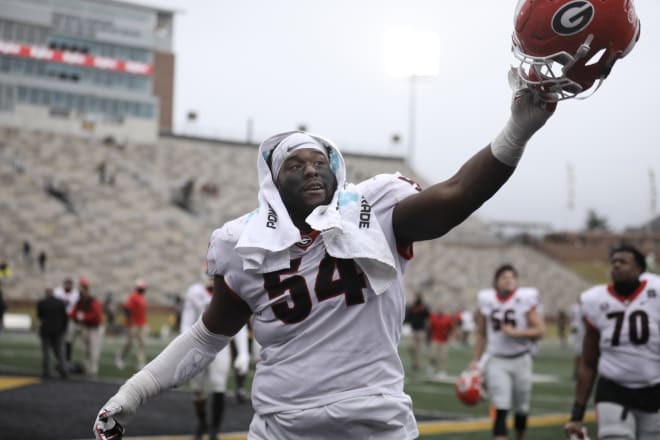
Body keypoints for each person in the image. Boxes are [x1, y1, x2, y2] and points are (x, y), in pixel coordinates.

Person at [94, 82, 556, 439]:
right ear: (273, 184)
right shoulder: (243, 244)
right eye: (295, 164)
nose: (311, 168)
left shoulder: (377, 211)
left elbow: (455, 197)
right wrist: (132, 393)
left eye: (320, 162)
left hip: (376, 419)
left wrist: (518, 129)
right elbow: (206, 338)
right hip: (283, 423)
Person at [564, 244, 660, 440]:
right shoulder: (595, 300)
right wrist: (577, 414)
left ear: (639, 269)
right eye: (613, 262)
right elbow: (589, 363)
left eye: (623, 262)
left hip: (654, 388)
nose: (616, 265)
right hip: (613, 389)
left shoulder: (656, 292)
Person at [471, 264, 545, 440]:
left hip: (521, 358)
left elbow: (540, 330)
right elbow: (481, 333)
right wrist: (476, 359)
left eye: (512, 277)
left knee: (522, 408)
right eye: (504, 277)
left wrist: (516, 333)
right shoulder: (487, 299)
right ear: (496, 281)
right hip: (497, 359)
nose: (508, 279)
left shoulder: (524, 298)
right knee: (500, 406)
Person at [180, 278, 250, 440]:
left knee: (219, 386)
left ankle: (214, 429)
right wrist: (185, 348)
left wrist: (243, 352)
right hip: (197, 348)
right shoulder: (195, 292)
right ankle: (202, 422)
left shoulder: (231, 288)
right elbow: (185, 323)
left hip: (221, 347)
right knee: (197, 391)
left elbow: (238, 323)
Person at [70, 277, 104, 377]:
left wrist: (83, 317)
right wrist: (76, 317)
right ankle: (88, 367)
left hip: (95, 328)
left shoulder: (92, 301)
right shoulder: (80, 301)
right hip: (86, 327)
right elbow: (73, 313)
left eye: (82, 288)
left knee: (94, 348)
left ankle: (93, 369)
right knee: (87, 349)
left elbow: (96, 314)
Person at [36, 286, 69, 378]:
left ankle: (46, 371)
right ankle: (63, 370)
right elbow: (65, 318)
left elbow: (40, 317)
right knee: (60, 352)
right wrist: (63, 329)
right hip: (58, 331)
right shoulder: (60, 303)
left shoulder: (42, 303)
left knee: (46, 352)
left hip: (46, 331)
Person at [116, 280, 148, 370]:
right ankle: (120, 357)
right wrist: (130, 321)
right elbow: (127, 309)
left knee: (141, 343)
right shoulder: (133, 296)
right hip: (133, 324)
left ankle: (141, 362)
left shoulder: (141, 298)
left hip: (141, 324)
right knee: (129, 343)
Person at [53, 277, 80, 364]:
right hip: (59, 318)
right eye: (66, 284)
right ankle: (59, 359)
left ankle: (67, 359)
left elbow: (72, 304)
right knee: (59, 339)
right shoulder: (58, 291)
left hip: (70, 318)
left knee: (68, 340)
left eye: (69, 284)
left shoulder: (75, 293)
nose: (68, 285)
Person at [428, 305, 455, 378]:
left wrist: (448, 333)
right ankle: (433, 367)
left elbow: (451, 328)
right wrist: (428, 338)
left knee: (442, 356)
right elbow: (430, 328)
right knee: (433, 355)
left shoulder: (447, 318)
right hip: (435, 339)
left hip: (444, 340)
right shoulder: (433, 317)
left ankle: (442, 370)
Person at [569, 300, 585, 380]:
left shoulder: (575, 306)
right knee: (580, 352)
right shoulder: (580, 307)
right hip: (581, 330)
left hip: (579, 329)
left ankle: (577, 372)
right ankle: (577, 372)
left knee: (580, 352)